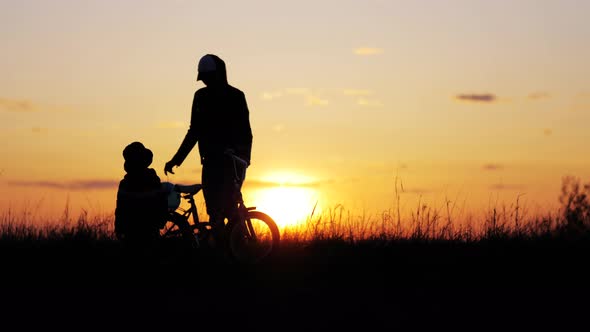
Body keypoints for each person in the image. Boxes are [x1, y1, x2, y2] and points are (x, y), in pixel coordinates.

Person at [164, 54, 253, 247]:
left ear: (219, 75)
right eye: (203, 78)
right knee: (215, 212)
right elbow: (194, 132)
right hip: (212, 162)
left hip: (232, 164)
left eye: (208, 77)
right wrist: (176, 159)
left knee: (231, 209)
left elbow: (245, 132)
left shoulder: (236, 97)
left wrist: (244, 158)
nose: (205, 81)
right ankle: (222, 251)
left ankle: (235, 251)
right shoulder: (201, 97)